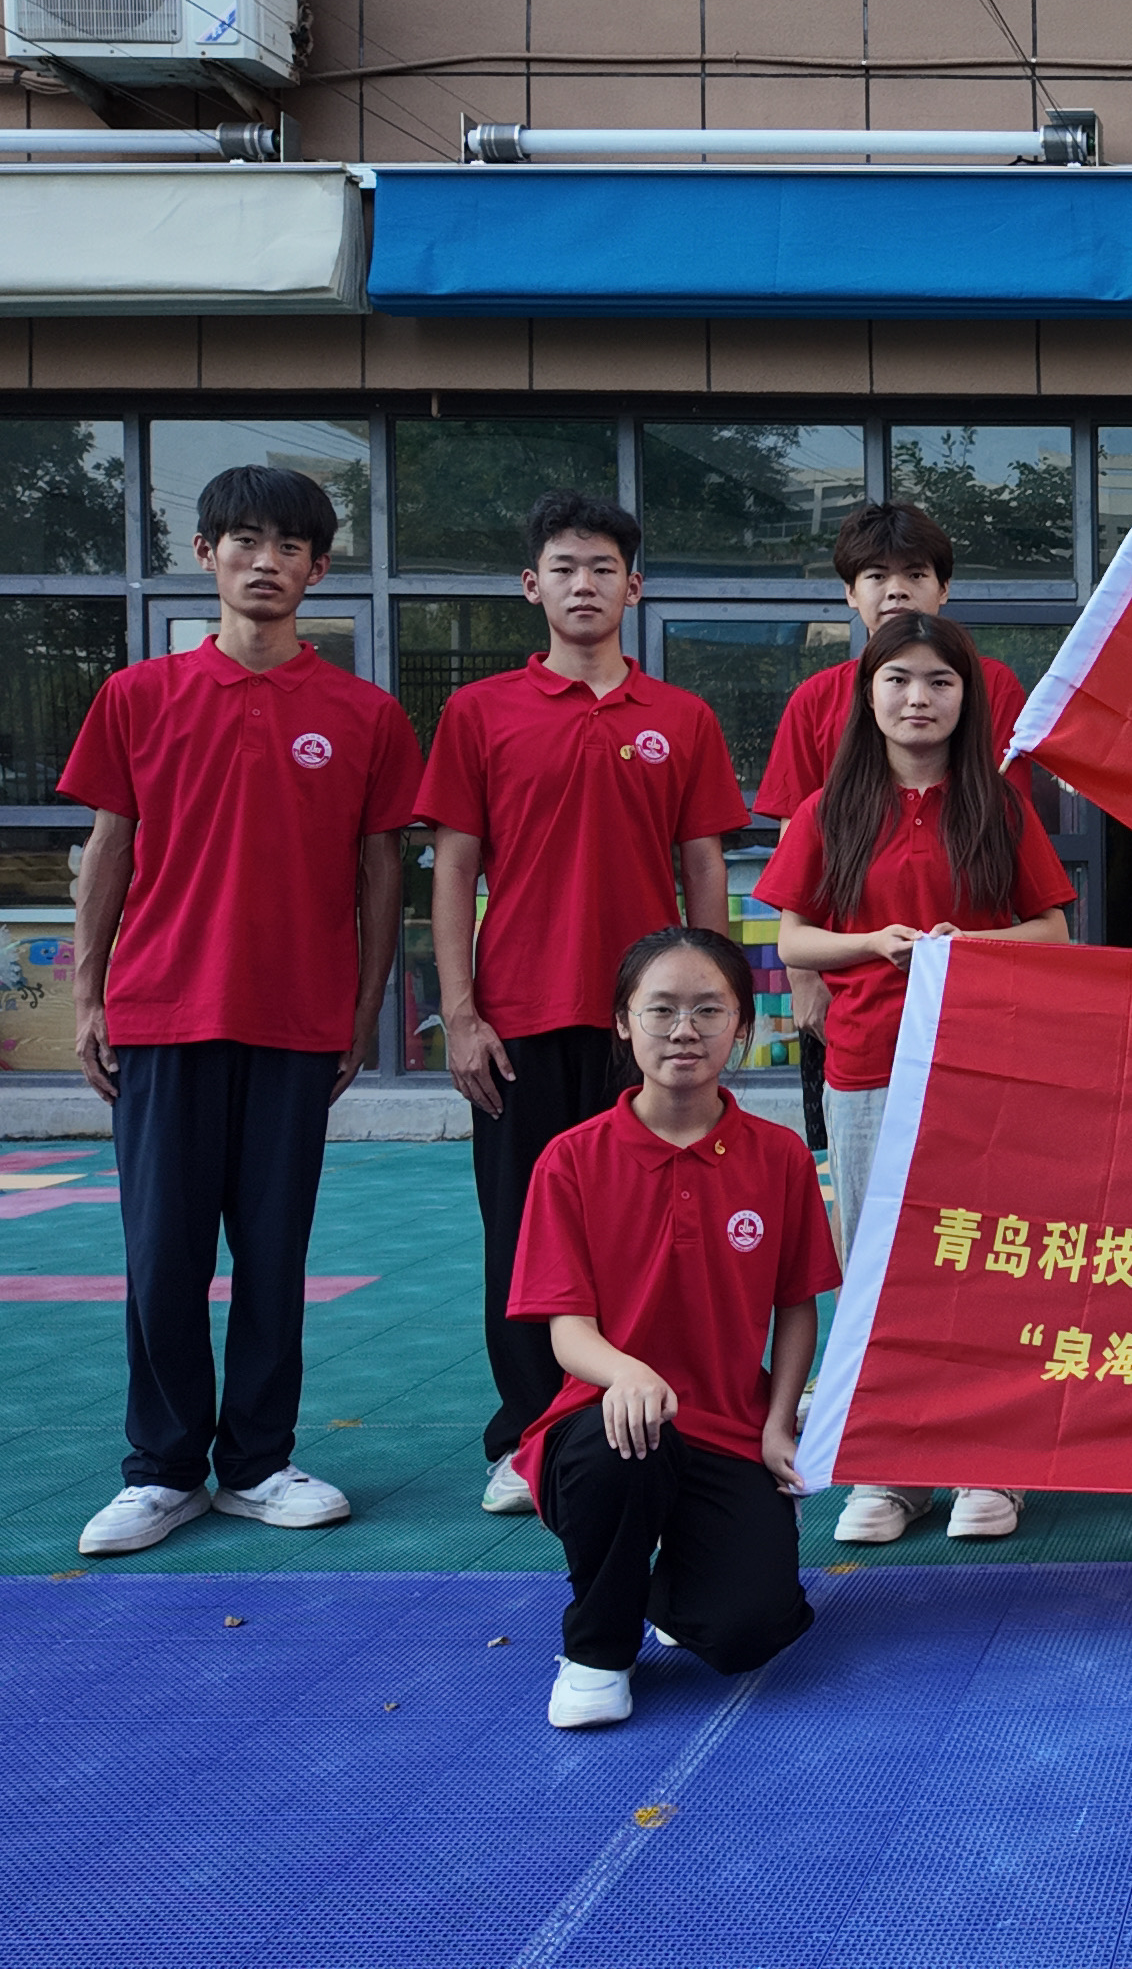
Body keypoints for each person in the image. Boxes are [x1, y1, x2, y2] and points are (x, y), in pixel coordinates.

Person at [59, 466, 422, 1558]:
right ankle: (164, 1470)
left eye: (290, 546)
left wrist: (364, 1006)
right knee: (162, 1253)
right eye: (244, 541)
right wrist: (87, 992)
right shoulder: (137, 697)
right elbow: (108, 852)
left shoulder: (365, 715)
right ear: (205, 555)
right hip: (161, 1010)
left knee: (273, 1253)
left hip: (296, 1018)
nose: (266, 562)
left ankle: (258, 1463)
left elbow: (382, 874)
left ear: (321, 568)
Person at [421, 492, 749, 1521]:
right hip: (518, 1019)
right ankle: (527, 1437)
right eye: (564, 568)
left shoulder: (681, 719)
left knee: (647, 1229)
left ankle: (655, 1413)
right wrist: (460, 1013)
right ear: (533, 586)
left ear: (633, 588)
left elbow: (704, 867)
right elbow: (454, 867)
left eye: (603, 568)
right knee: (523, 1235)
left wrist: (711, 1008)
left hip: (645, 1029)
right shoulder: (479, 714)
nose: (584, 585)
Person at [755, 611, 1076, 1545]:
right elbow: (792, 939)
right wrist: (873, 944)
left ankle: (991, 1461)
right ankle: (891, 1470)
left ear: (967, 698)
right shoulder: (829, 811)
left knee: (983, 1258)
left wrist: (969, 946)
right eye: (897, 680)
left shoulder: (999, 806)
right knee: (877, 1268)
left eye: (940, 681)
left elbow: (1053, 932)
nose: (918, 698)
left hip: (986, 1068)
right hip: (866, 1067)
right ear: (868, 696)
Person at [513, 928, 836, 1730]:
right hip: (605, 1428)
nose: (683, 1030)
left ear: (742, 1026)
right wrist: (626, 1372)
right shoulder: (571, 1160)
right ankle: (597, 1651)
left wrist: (776, 1424)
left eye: (707, 1010)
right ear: (624, 1024)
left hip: (727, 1431)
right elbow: (567, 1330)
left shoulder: (780, 1157)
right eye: (660, 1010)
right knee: (628, 1442)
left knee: (748, 1630)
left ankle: (671, 1586)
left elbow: (797, 1305)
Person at [751, 501, 1028, 823]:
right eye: (877, 575)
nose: (897, 590)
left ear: (943, 588)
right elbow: (795, 826)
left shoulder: (993, 684)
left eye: (915, 574)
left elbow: (1010, 812)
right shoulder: (814, 698)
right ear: (851, 592)